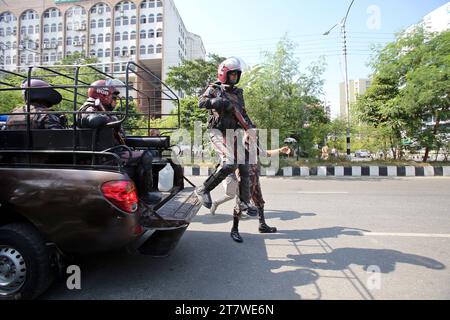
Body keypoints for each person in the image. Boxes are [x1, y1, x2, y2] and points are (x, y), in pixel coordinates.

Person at [196, 57, 254, 243]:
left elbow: (243, 113)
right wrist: (219, 102)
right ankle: (203, 189)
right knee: (230, 162)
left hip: (234, 133)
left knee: (245, 166)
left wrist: (250, 128)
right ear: (224, 73)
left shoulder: (238, 93)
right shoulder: (214, 88)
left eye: (237, 74)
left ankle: (244, 202)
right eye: (232, 74)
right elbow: (201, 102)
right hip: (217, 132)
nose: (235, 77)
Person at [77, 79, 161, 204]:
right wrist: (109, 118)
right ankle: (144, 195)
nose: (115, 101)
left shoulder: (102, 108)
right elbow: (91, 120)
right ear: (103, 95)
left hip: (112, 150)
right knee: (145, 156)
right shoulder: (89, 107)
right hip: (103, 155)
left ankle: (141, 192)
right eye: (113, 97)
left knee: (149, 151)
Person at [210, 146, 291, 234]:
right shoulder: (240, 143)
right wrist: (239, 176)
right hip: (246, 178)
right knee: (240, 203)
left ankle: (262, 225)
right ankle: (235, 229)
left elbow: (265, 153)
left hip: (254, 176)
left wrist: (279, 150)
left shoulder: (252, 143)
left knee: (259, 201)